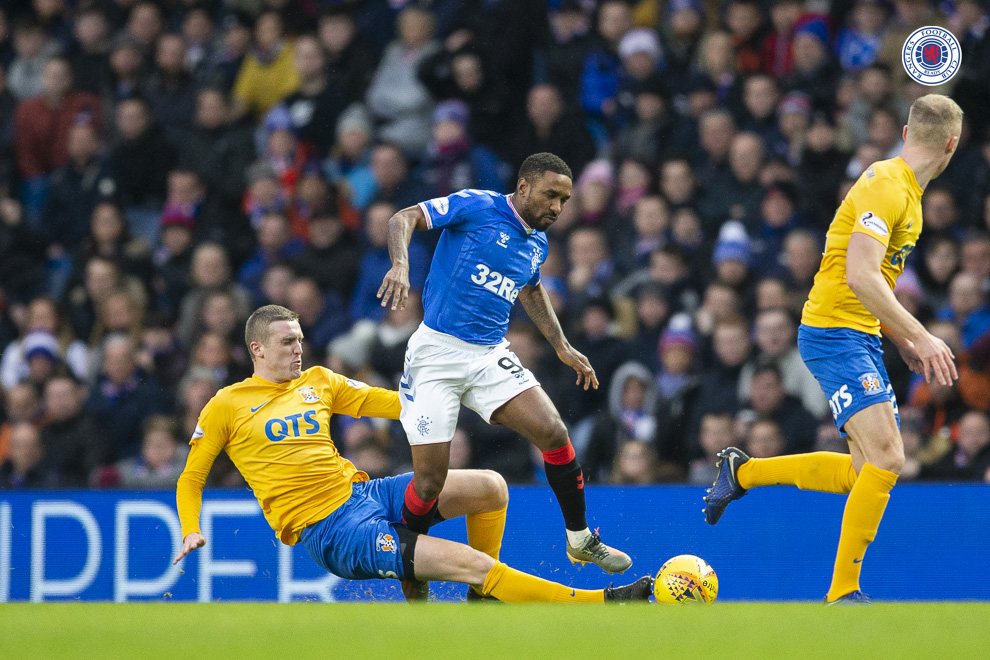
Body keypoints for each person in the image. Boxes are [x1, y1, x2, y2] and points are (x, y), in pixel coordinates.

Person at [172, 305, 651, 604]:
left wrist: (466, 392)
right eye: (287, 342)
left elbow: (396, 403)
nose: (299, 348)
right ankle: (599, 603)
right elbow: (191, 478)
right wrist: (191, 528)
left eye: (300, 339)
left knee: (491, 487)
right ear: (257, 348)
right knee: (475, 563)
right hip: (330, 529)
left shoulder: (319, 381)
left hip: (366, 495)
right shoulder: (226, 404)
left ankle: (481, 601)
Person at [703, 94, 964, 604]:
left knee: (865, 471)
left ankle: (744, 471)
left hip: (857, 332)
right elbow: (861, 274)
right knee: (890, 456)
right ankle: (843, 590)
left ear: (908, 133)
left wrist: (897, 336)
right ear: (953, 144)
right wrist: (921, 334)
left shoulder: (905, 192)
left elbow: (870, 283)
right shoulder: (887, 187)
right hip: (833, 332)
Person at [377, 152, 633, 602]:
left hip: (489, 354)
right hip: (436, 353)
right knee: (430, 482)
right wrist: (401, 264)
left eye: (566, 200)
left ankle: (578, 537)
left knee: (554, 432)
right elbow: (404, 217)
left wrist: (561, 345)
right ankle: (409, 557)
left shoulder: (537, 243)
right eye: (551, 195)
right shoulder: (478, 205)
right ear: (525, 185)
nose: (558, 207)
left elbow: (531, 289)